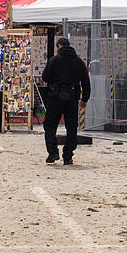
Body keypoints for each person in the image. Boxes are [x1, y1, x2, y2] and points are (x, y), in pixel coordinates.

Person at [41, 37, 91, 166]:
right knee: (71, 127)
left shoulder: (54, 60)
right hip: (72, 97)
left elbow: (45, 77)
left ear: (59, 46)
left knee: (50, 125)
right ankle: (68, 155)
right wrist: (85, 99)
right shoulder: (79, 62)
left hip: (55, 97)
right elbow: (86, 82)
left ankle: (53, 152)